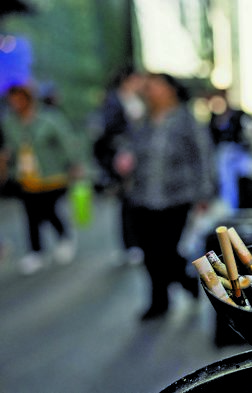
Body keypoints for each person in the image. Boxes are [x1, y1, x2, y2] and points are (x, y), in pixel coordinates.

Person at [114, 73, 214, 321]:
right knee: (149, 252)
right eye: (148, 87)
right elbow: (128, 146)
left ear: (171, 89)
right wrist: (124, 158)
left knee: (166, 251)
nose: (151, 91)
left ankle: (184, 283)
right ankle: (160, 300)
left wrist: (204, 193)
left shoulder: (186, 119)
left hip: (176, 197)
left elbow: (203, 156)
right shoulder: (142, 121)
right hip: (141, 196)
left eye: (156, 86)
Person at [1, 83, 82, 275]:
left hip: (51, 174)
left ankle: (64, 237)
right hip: (26, 176)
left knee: (48, 211)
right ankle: (36, 251)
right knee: (30, 214)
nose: (15, 104)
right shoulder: (9, 123)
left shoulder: (49, 119)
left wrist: (74, 165)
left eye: (19, 99)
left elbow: (66, 143)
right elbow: (9, 147)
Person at [94, 65, 145, 265]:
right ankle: (130, 244)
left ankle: (138, 242)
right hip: (123, 159)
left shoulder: (139, 99)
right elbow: (109, 132)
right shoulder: (114, 101)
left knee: (138, 202)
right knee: (128, 203)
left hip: (139, 159)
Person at [208, 89, 252, 213]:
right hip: (223, 155)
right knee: (226, 178)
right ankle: (229, 207)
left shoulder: (238, 115)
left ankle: (246, 206)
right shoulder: (214, 118)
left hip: (239, 153)